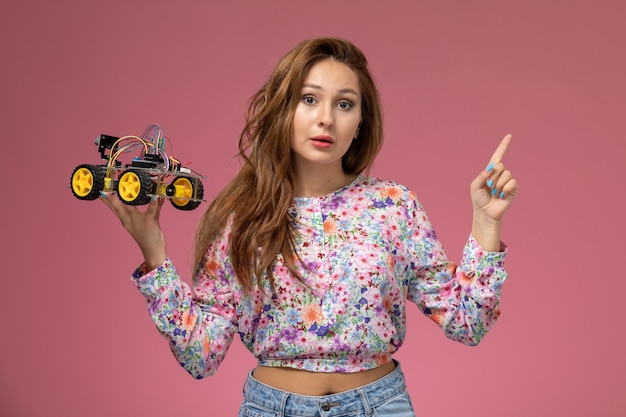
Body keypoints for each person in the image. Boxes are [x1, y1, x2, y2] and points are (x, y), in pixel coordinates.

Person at [100, 37, 518, 417]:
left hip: (380, 406)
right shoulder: (241, 216)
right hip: (272, 409)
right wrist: (154, 253)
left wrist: (486, 221)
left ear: (359, 125)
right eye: (309, 99)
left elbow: (469, 323)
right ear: (284, 109)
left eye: (344, 104)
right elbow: (201, 355)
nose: (326, 119)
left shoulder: (393, 206)